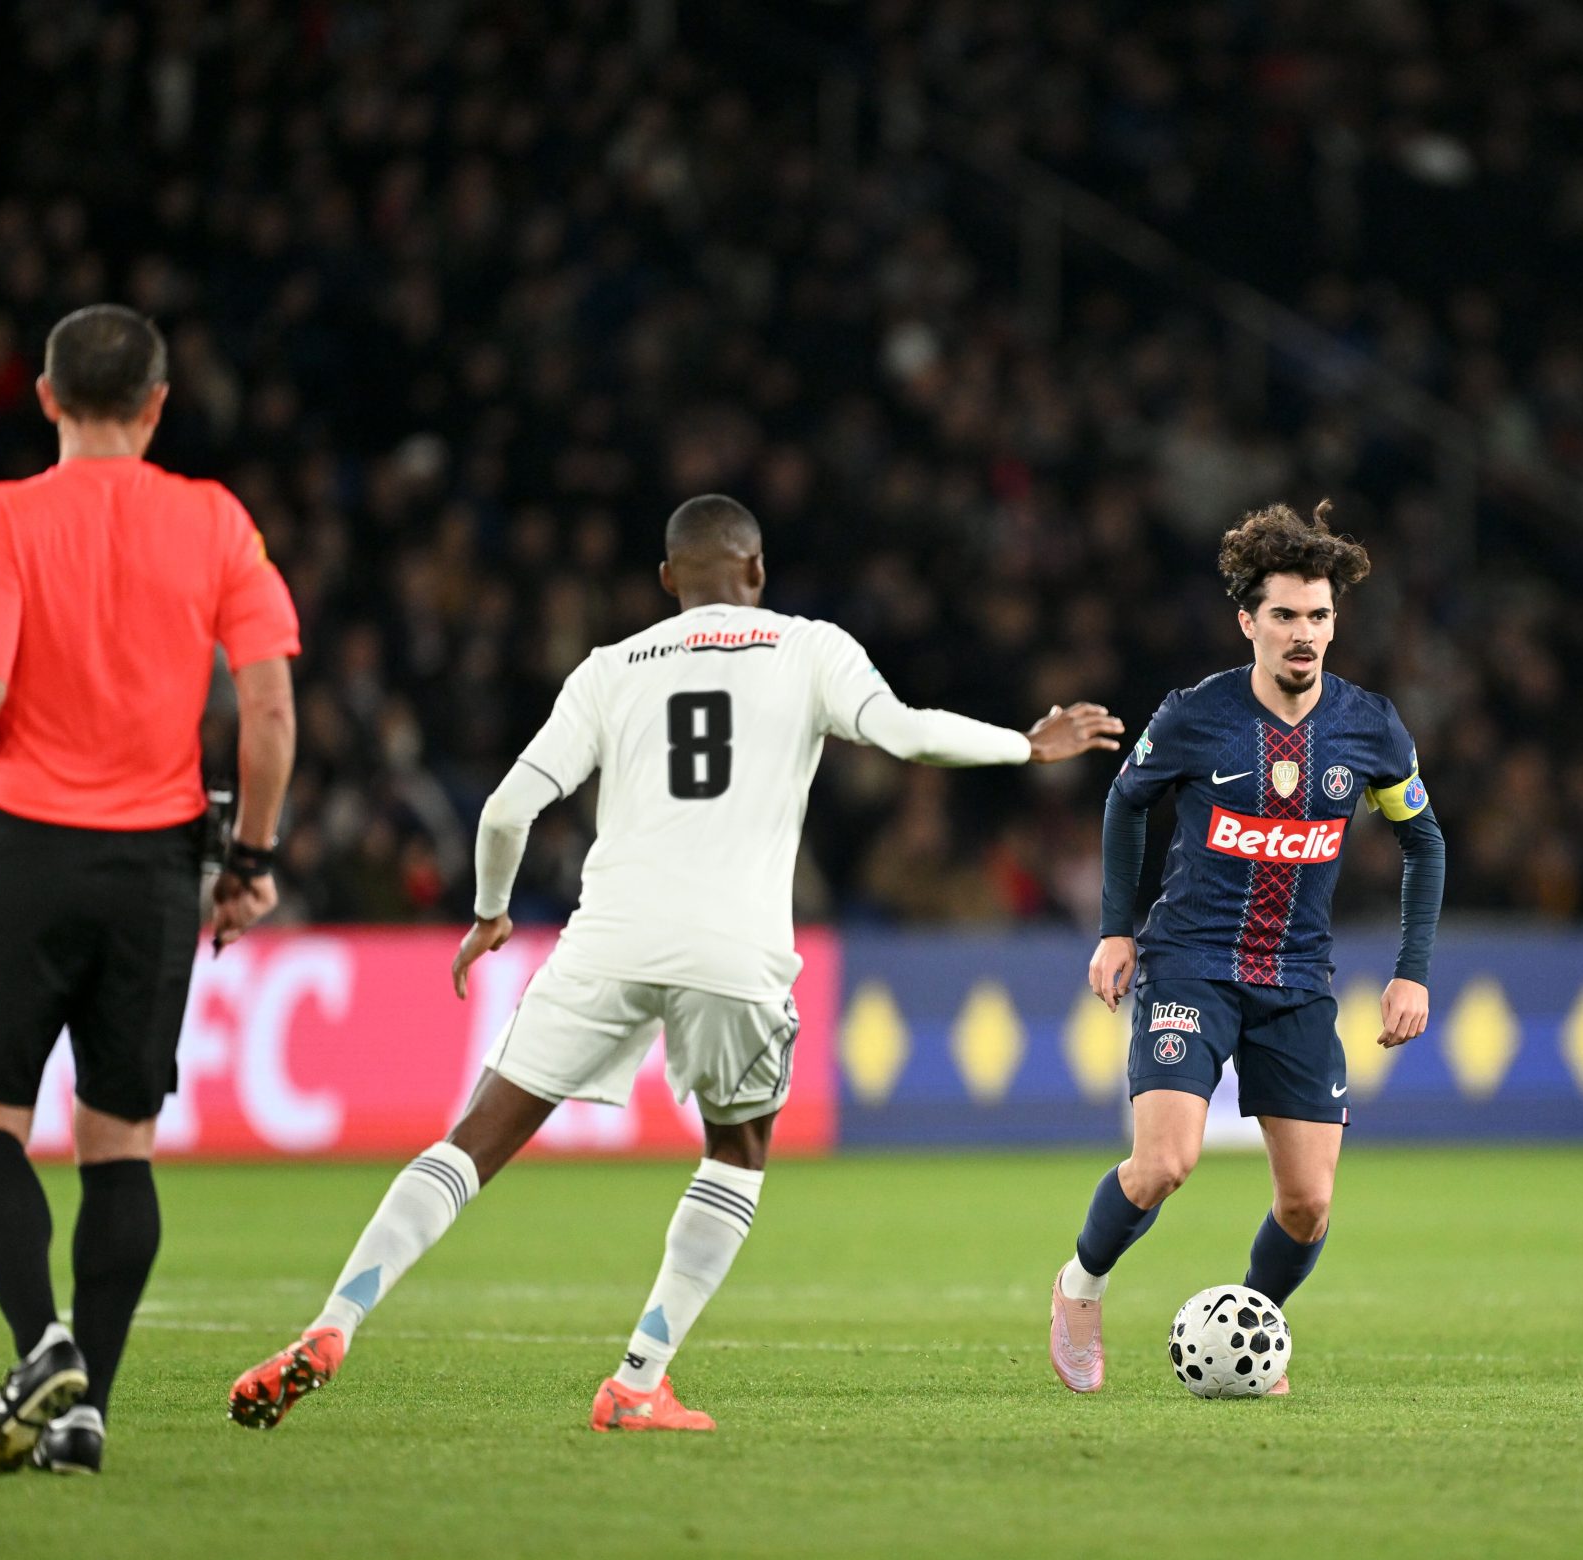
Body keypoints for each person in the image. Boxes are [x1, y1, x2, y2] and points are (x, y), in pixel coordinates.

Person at [227, 494, 1121, 1433]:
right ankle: (638, 1377)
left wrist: (492, 910)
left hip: (608, 937)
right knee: (736, 1149)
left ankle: (334, 1320)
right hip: (733, 949)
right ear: (758, 571)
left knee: (473, 1138)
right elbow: (904, 733)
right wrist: (1027, 742)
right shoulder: (811, 646)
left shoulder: (610, 668)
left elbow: (502, 810)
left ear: (667, 582)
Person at [0, 305, 299, 1475]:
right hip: (157, 865)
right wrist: (246, 858)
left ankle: (41, 1340)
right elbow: (270, 710)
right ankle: (88, 1409)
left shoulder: (3, 512)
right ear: (156, 406)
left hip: (28, 848)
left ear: (43, 397)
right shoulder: (215, 522)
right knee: (120, 1143)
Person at [1046, 501, 1445, 1395]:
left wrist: (1411, 972)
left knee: (1307, 1204)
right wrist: (1118, 926)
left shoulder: (1370, 727)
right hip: (1190, 961)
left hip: (1299, 981)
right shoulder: (1196, 716)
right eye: (1284, 616)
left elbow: (1425, 841)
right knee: (1165, 1162)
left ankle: (1247, 1330)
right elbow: (1125, 801)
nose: (1303, 635)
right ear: (1247, 621)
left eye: (1319, 617)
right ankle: (1079, 1287)